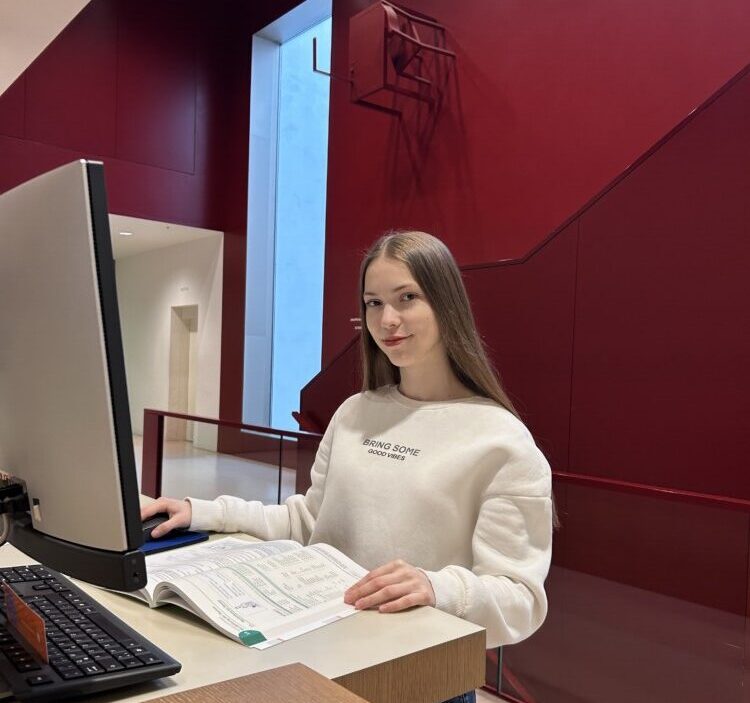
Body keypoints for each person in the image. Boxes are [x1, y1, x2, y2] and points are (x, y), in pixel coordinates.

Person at [143, 230, 553, 703]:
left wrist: (435, 587)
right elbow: (307, 522)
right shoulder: (355, 412)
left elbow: (520, 600)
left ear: (446, 303)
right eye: (374, 303)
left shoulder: (501, 440)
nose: (388, 319)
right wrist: (202, 512)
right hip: (326, 651)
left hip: (422, 677)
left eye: (407, 297)